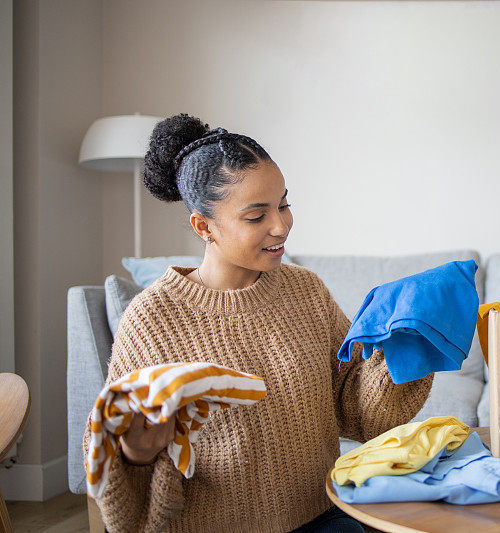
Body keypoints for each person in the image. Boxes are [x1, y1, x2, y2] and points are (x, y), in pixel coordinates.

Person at [82, 113, 434, 533]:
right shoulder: (153, 319)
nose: (281, 225)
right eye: (256, 216)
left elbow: (356, 407)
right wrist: (138, 453)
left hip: (323, 516)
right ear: (203, 226)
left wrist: (406, 346)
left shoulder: (306, 290)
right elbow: (108, 459)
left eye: (284, 204)